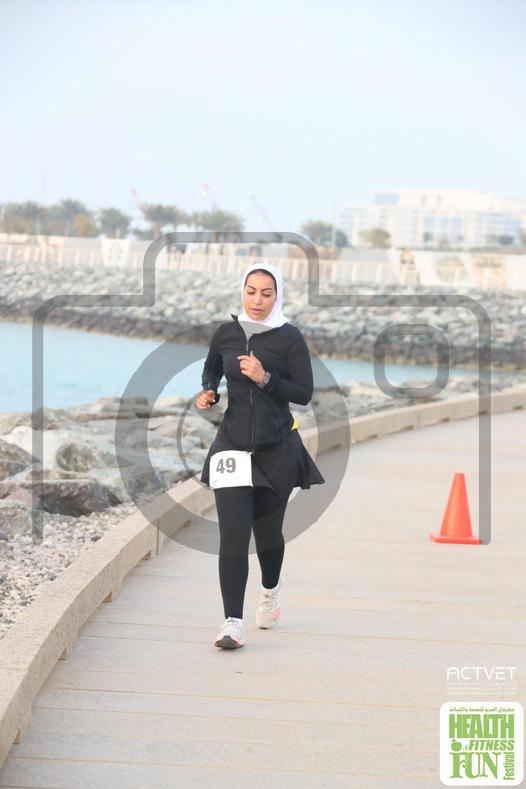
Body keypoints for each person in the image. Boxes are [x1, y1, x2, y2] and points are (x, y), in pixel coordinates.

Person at [195, 262, 325, 649]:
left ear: (277, 295)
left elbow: (303, 393)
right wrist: (209, 392)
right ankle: (232, 623)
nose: (257, 300)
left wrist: (264, 378)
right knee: (233, 535)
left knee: (267, 535)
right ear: (242, 291)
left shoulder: (289, 338)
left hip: (277, 447)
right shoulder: (226, 333)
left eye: (266, 293)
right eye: (251, 291)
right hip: (232, 445)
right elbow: (211, 371)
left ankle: (270, 590)